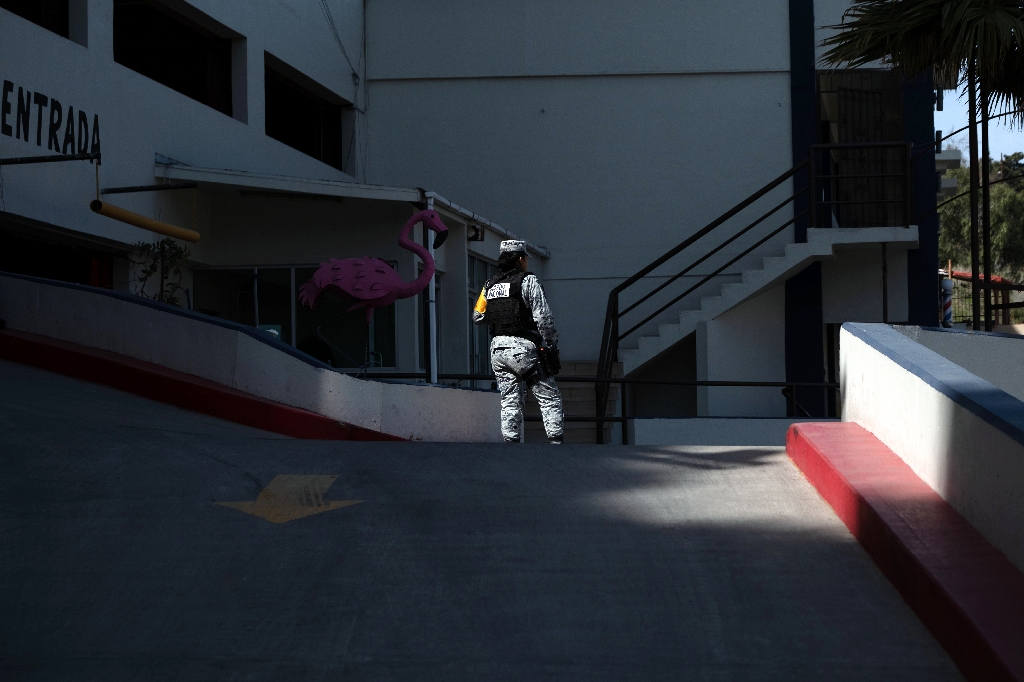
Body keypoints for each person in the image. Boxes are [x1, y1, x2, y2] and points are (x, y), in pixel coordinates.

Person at [473, 240, 564, 443]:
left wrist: (499, 317)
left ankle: (511, 446)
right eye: (526, 259)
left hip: (498, 350)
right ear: (521, 259)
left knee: (509, 399)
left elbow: (477, 316)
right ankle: (557, 445)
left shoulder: (489, 285)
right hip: (523, 349)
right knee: (549, 397)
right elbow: (543, 317)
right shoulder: (528, 281)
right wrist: (551, 342)